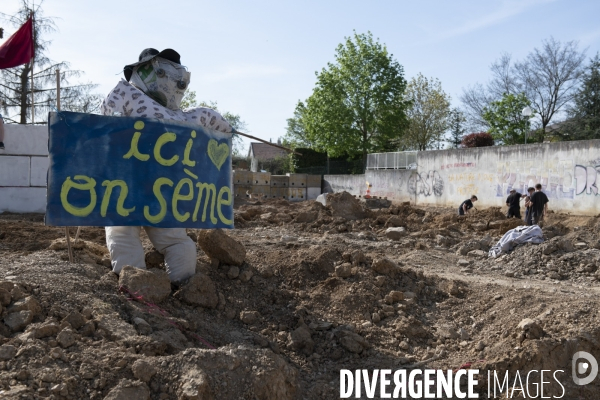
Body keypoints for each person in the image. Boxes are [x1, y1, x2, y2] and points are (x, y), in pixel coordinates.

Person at [101, 48, 232, 283]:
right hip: (166, 192)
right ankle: (184, 286)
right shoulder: (193, 117)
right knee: (174, 239)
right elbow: (224, 128)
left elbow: (103, 120)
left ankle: (136, 286)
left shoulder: (126, 94)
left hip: (125, 187)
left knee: (123, 234)